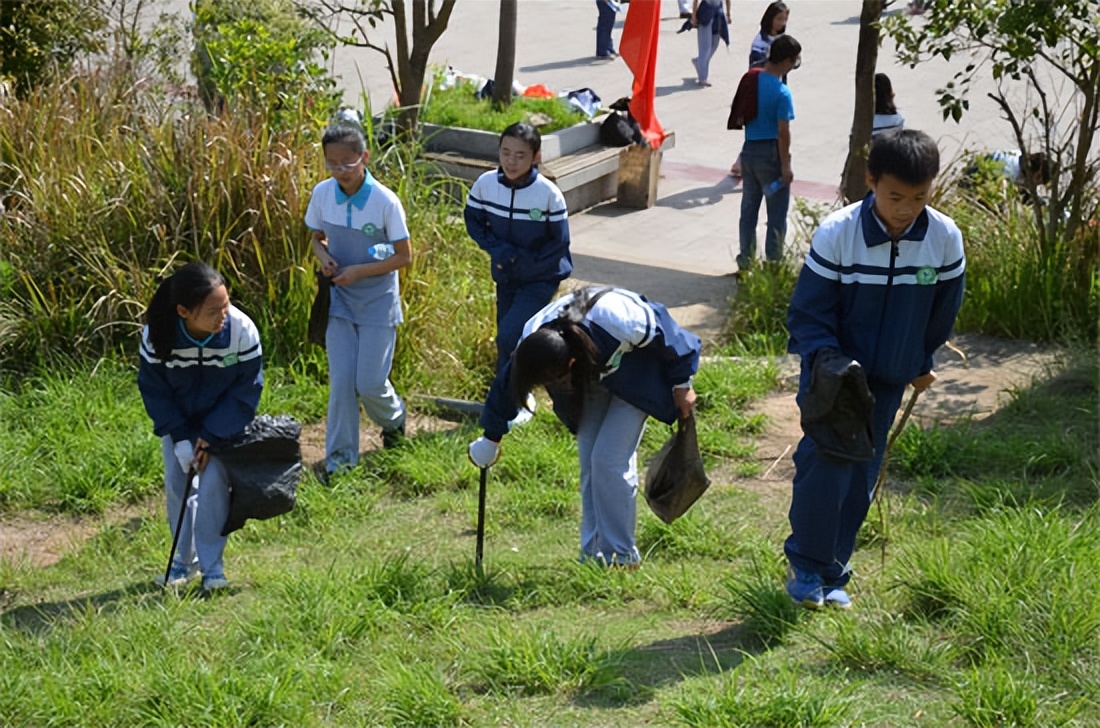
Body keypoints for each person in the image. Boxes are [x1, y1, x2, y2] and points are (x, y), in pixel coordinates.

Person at [784, 129, 966, 609]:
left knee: (861, 477)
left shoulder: (944, 239)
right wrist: (830, 363)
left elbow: (943, 311)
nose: (907, 208)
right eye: (895, 197)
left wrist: (921, 360)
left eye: (920, 197)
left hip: (887, 380)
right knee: (823, 471)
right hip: (834, 378)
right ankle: (805, 567)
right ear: (870, 182)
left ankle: (834, 572)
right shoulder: (838, 233)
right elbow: (808, 314)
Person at [467, 287, 700, 569]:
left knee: (609, 461)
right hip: (593, 378)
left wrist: (681, 384)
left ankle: (622, 557)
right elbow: (506, 387)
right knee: (589, 461)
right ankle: (592, 556)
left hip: (640, 374)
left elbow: (670, 333)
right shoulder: (532, 342)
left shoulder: (615, 320)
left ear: (571, 363)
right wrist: (491, 438)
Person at [138, 262, 264, 591]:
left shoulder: (240, 330)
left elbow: (246, 390)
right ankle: (183, 563)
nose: (224, 314)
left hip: (224, 422)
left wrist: (211, 436)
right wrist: (180, 437)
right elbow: (155, 390)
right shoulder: (156, 334)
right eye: (213, 310)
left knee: (212, 490)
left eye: (226, 304)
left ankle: (213, 570)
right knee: (178, 485)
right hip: (178, 421)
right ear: (183, 311)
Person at [306, 122, 411, 479]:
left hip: (378, 301)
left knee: (369, 384)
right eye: (331, 164)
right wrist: (325, 260)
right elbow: (315, 239)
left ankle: (395, 419)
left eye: (347, 164)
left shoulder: (385, 201)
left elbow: (403, 257)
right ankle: (340, 461)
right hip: (338, 301)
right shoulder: (322, 193)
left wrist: (359, 272)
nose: (339, 172)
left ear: (364, 157)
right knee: (341, 384)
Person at [464, 122, 572, 378]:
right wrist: (498, 250)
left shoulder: (548, 194)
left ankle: (511, 396)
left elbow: (559, 244)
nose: (511, 161)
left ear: (536, 157)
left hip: (540, 278)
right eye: (505, 152)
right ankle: (512, 394)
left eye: (520, 155)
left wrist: (527, 264)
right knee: (508, 336)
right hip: (505, 274)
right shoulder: (486, 184)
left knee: (511, 334)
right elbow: (473, 221)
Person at [736, 34, 801, 273]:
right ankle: (773, 264)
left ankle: (746, 261)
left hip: (749, 149)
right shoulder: (782, 93)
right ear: (786, 61)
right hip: (771, 153)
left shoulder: (753, 81)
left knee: (748, 211)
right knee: (776, 214)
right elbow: (783, 132)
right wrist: (786, 165)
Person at [731, 1, 789, 176]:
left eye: (785, 19)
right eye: (779, 19)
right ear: (770, 18)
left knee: (771, 129)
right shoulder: (760, 43)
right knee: (765, 130)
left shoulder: (781, 40)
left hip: (778, 89)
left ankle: (742, 162)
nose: (782, 23)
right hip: (762, 91)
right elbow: (754, 67)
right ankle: (743, 162)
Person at [690, 0, 731, 87]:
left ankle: (699, 62)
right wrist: (693, 16)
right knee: (705, 47)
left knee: (714, 44)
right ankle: (703, 78)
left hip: (718, 12)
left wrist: (728, 14)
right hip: (705, 11)